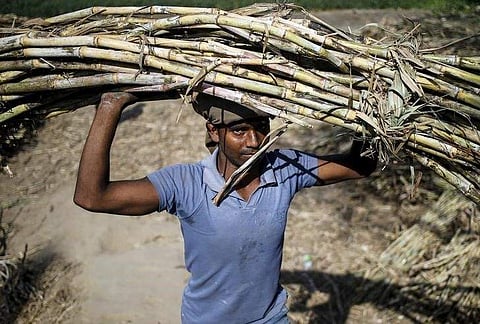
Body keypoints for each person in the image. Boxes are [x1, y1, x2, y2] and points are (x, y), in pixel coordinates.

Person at [74, 91, 377, 323]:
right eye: (239, 130)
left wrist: (363, 113)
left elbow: (358, 166)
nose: (254, 141)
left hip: (270, 317)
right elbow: (92, 196)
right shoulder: (187, 183)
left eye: (261, 127)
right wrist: (111, 106)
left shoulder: (283, 168)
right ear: (214, 130)